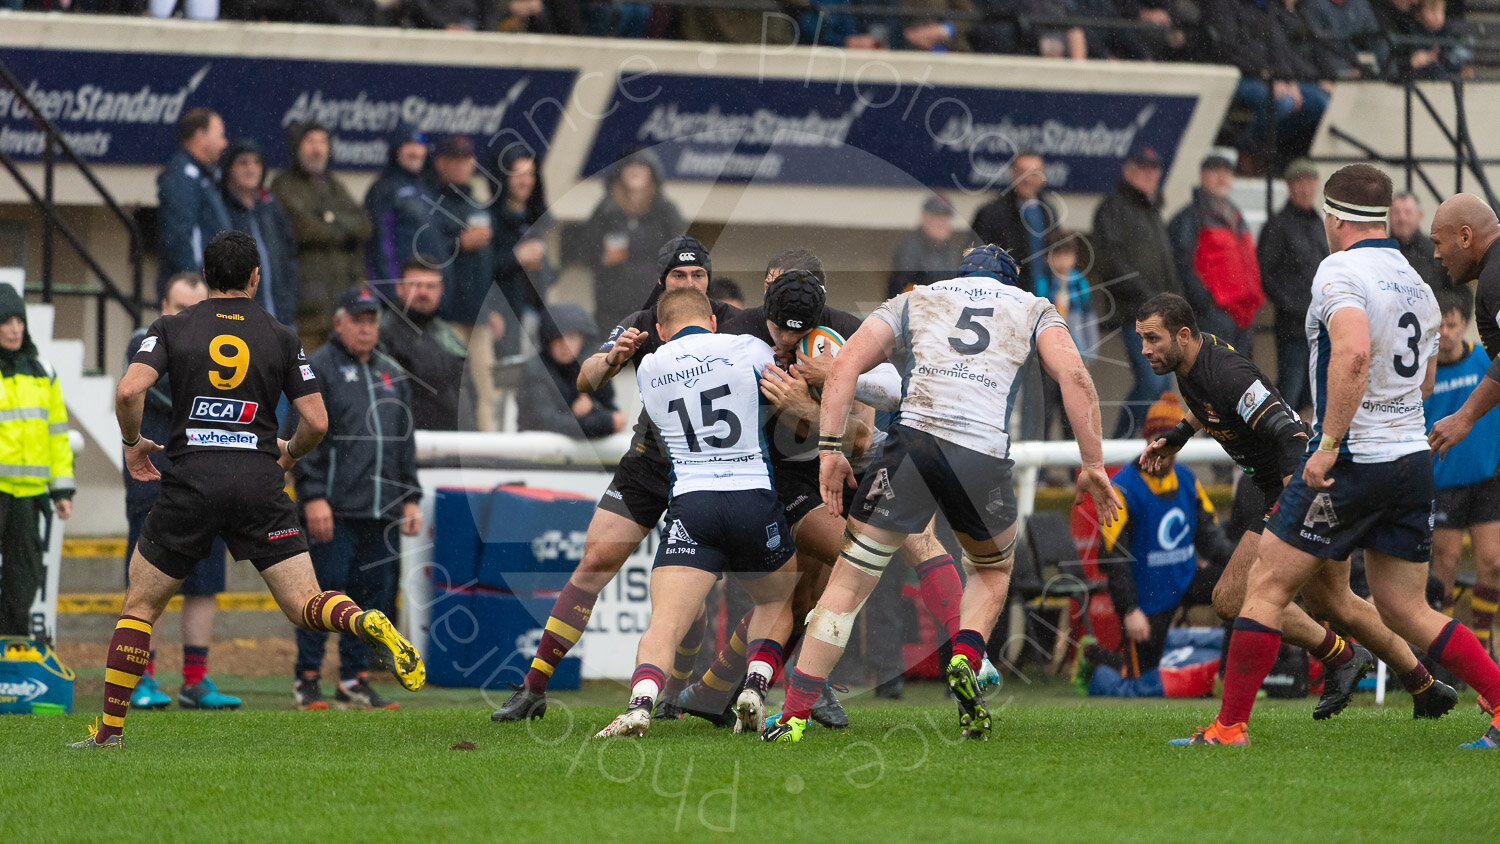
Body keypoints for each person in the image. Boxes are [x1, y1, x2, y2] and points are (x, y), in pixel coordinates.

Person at [1170, 164, 1500, 748]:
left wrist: (1326, 446)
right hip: (1411, 460)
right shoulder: (1419, 283)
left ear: (1335, 217)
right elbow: (1423, 385)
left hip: (1351, 459)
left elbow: (1350, 353)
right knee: (1406, 609)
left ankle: (1229, 728)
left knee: (1266, 586)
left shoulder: (1339, 270)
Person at [71, 231, 423, 749]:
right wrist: (289, 453)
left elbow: (129, 390)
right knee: (306, 602)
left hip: (189, 482)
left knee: (140, 607)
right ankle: (363, 617)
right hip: (258, 483)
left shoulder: (171, 325)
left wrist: (132, 442)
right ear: (256, 278)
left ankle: (109, 734)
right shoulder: (281, 336)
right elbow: (317, 422)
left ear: (208, 278)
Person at [763, 245, 1121, 743]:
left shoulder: (919, 297)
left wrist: (828, 451)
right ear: (1009, 280)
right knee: (993, 572)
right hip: (981, 456)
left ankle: (792, 715)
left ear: (963, 274)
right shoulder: (1033, 306)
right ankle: (967, 655)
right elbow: (1076, 377)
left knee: (848, 581)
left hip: (913, 446)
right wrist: (1093, 464)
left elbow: (844, 367)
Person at [1134, 292, 1453, 720]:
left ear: (1184, 335)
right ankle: (1423, 684)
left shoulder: (1226, 371)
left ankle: (1338, 658)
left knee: (1232, 598)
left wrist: (1290, 505)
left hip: (1301, 488)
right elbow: (1204, 404)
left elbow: (1291, 438)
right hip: (1295, 489)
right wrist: (1177, 437)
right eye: (1141, 340)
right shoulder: (1192, 362)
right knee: (1336, 603)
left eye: (1152, 339)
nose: (1145, 350)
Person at [489, 237, 733, 723]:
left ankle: (675, 699)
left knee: (691, 599)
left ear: (708, 280)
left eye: (698, 276)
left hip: (706, 471)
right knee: (595, 559)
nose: (689, 283)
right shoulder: (642, 323)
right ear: (662, 281)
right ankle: (534, 686)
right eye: (679, 276)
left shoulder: (731, 322)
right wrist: (615, 356)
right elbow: (585, 378)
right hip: (648, 463)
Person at [594, 288, 799, 738]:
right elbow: (783, 388)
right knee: (778, 599)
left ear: (662, 331)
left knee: (664, 623)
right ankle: (757, 685)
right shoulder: (744, 346)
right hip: (750, 494)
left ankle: (641, 703)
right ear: (711, 320)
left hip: (693, 501)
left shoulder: (651, 364)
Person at [292, 287, 423, 711]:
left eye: (373, 321)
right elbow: (302, 434)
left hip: (382, 508)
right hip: (334, 507)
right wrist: (312, 495)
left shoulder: (391, 371)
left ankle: (354, 680)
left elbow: (405, 441)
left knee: (371, 601)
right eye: (359, 320)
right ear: (339, 321)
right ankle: (307, 680)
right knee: (323, 595)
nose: (367, 329)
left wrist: (409, 497)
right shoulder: (318, 368)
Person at [121, 273, 240, 710]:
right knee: (146, 585)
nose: (189, 317)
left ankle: (196, 680)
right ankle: (140, 679)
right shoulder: (143, 342)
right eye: (180, 307)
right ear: (162, 308)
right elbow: (187, 398)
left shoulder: (220, 346)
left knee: (204, 582)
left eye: (198, 307)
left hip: (209, 481)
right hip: (155, 481)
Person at [1078, 396, 1232, 697]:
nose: (1162, 450)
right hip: (1146, 597)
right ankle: (1096, 659)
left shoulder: (1187, 479)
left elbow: (1211, 540)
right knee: (1139, 683)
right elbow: (1114, 559)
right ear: (1145, 440)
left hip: (1185, 578)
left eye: (1169, 443)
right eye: (1156, 440)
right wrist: (1129, 610)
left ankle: (1228, 676)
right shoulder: (1121, 488)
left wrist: (1246, 564)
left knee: (1241, 591)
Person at [1423, 288, 1500, 652]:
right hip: (1444, 484)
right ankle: (1450, 649)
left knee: (1494, 563)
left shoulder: (1485, 361)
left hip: (1487, 478)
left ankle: (1482, 642)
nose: (1445, 333)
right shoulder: (1425, 373)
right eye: (1439, 326)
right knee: (1446, 566)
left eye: (1451, 325)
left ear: (1464, 325)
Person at [1091, 145, 1179, 438]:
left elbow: (1167, 267)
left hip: (1162, 316)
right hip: (1136, 315)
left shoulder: (1152, 210)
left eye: (1154, 169)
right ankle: (1118, 450)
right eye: (1142, 168)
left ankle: (1145, 460)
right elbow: (1111, 263)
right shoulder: (1112, 208)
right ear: (1127, 171)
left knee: (1163, 391)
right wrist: (1150, 300)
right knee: (1152, 386)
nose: (1149, 175)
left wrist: (1177, 306)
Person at [0, 284, 73, 636]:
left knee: (23, 581)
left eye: (19, 320)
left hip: (28, 497)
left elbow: (57, 436)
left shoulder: (43, 372)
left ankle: (10, 655)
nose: (15, 328)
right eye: (6, 321)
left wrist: (62, 491)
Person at [271, 120, 372, 350]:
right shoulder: (283, 185)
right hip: (306, 309)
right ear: (297, 147)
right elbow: (304, 229)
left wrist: (330, 219)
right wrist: (339, 226)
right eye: (310, 142)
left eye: (322, 142)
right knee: (307, 378)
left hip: (343, 307)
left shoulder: (335, 185)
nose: (317, 149)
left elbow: (364, 225)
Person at [425, 135, 502, 430]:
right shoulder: (430, 202)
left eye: (466, 159)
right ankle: (449, 450)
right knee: (449, 390)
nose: (461, 165)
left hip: (480, 317)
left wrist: (494, 308)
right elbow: (425, 254)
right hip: (447, 316)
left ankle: (490, 451)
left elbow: (488, 265)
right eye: (453, 159)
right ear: (440, 162)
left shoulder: (479, 204)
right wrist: (458, 243)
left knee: (488, 391)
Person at [572, 150, 686, 335]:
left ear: (652, 173)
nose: (635, 171)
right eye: (630, 166)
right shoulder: (605, 209)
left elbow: (679, 254)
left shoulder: (665, 211)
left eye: (641, 166)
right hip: (611, 305)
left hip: (652, 303)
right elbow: (585, 250)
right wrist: (602, 258)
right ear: (620, 172)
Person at [1168, 153, 1264, 353]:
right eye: (1215, 172)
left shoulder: (1236, 215)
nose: (1222, 177)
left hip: (1244, 315)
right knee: (1215, 378)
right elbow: (1182, 263)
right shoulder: (1191, 216)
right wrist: (1205, 303)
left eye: (1226, 172)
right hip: (1215, 315)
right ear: (1202, 177)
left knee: (1239, 379)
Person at [1426, 194, 1500, 450]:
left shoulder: (1495, 275)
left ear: (1465, 237)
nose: (1436, 254)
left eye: (1438, 243)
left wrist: (1464, 416)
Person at [1256, 158, 1326, 410]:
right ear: (1289, 187)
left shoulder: (1319, 223)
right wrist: (1293, 307)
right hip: (1293, 328)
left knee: (1313, 393)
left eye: (1310, 182)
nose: (1306, 188)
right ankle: (1282, 443)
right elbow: (1266, 275)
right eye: (1300, 182)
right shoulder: (1277, 225)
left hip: (1319, 325)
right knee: (1290, 389)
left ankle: (1302, 443)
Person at [378, 257, 471, 431]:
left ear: (441, 290)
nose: (423, 292)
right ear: (399, 288)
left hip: (455, 441)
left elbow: (468, 392)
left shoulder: (449, 335)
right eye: (415, 285)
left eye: (430, 286)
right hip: (412, 442)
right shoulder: (383, 335)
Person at [220, 139, 299, 327]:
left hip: (281, 317)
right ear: (229, 167)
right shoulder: (221, 209)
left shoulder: (270, 207)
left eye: (256, 162)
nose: (251, 169)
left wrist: (289, 302)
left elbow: (289, 257)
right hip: (241, 319)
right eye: (243, 162)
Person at [517, 304, 625, 439]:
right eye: (558, 338)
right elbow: (545, 423)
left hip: (581, 457)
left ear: (583, 339)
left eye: (572, 337)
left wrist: (592, 410)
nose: (565, 345)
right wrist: (601, 422)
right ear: (548, 340)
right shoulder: (535, 371)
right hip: (539, 456)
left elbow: (615, 416)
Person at [155, 107, 230, 297]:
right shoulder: (183, 177)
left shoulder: (205, 177)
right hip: (193, 294)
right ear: (200, 137)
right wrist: (196, 286)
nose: (224, 143)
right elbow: (180, 237)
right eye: (219, 135)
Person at [1034, 229, 1099, 439]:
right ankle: (1040, 472)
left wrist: (1088, 354)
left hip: (1075, 358)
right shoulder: (1042, 283)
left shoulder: (1079, 283)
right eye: (1057, 255)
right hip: (1047, 361)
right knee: (1044, 414)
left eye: (1067, 255)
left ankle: (1076, 471)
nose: (1063, 262)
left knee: (1073, 416)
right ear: (1047, 258)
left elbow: (1089, 319)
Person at [491, 148, 554, 359]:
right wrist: (516, 257)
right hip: (507, 315)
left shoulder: (539, 217)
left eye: (530, 174)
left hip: (538, 314)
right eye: (517, 174)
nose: (524, 181)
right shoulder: (492, 218)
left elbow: (549, 270)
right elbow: (482, 271)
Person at [364, 123, 438, 293]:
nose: (415, 151)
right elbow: (379, 247)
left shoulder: (427, 188)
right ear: (396, 150)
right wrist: (390, 292)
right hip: (401, 296)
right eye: (408, 144)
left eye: (419, 145)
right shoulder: (383, 189)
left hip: (427, 294)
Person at [970, 150, 1058, 292]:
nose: (1028, 179)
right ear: (1013, 175)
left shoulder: (1049, 212)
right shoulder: (991, 213)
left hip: (1044, 294)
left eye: (1034, 173)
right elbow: (975, 261)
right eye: (1022, 172)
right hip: (1005, 296)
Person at [886, 195, 960, 298]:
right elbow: (900, 295)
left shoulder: (950, 253)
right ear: (924, 218)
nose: (942, 223)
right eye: (937, 217)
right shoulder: (910, 251)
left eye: (946, 217)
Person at [1389, 191, 1451, 292]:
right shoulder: (1380, 252)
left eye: (1408, 212)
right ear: (1389, 216)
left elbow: (1461, 293)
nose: (1402, 219)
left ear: (1420, 216)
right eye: (1396, 213)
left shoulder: (1437, 251)